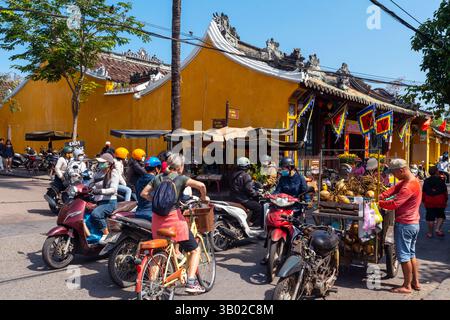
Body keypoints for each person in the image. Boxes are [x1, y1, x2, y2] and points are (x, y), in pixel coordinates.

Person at [140, 153, 208, 293]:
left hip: (157, 221)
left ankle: (151, 286)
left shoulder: (158, 178)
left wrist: (157, 201)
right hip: (174, 221)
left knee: (159, 253)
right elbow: (201, 185)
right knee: (195, 250)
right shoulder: (181, 178)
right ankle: (191, 282)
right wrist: (203, 198)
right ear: (180, 167)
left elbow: (143, 193)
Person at [378, 158, 421, 294]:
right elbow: (394, 189)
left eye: (394, 173)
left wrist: (378, 203)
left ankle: (407, 286)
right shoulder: (411, 180)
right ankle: (415, 282)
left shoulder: (409, 186)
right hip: (413, 224)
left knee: (403, 256)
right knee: (411, 254)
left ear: (401, 170)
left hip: (405, 225)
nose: (393, 175)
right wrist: (382, 195)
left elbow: (394, 204)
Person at [91, 153, 120, 244]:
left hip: (109, 202)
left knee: (96, 214)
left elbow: (113, 189)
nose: (100, 164)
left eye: (102, 162)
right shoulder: (98, 173)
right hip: (98, 201)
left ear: (109, 163)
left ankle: (106, 235)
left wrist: (100, 191)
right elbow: (90, 183)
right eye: (100, 162)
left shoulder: (113, 173)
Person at [229, 157, 263, 228]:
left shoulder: (233, 174)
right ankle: (251, 225)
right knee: (259, 207)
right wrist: (257, 193)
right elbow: (249, 190)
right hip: (242, 199)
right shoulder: (246, 176)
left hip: (232, 198)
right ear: (247, 166)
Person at [422, 166, 447, 238]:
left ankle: (430, 233)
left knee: (430, 217)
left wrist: (423, 200)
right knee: (441, 216)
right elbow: (445, 192)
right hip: (440, 201)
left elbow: (424, 192)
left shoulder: (426, 181)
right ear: (436, 171)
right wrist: (445, 200)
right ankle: (438, 229)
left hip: (429, 201)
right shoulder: (441, 180)